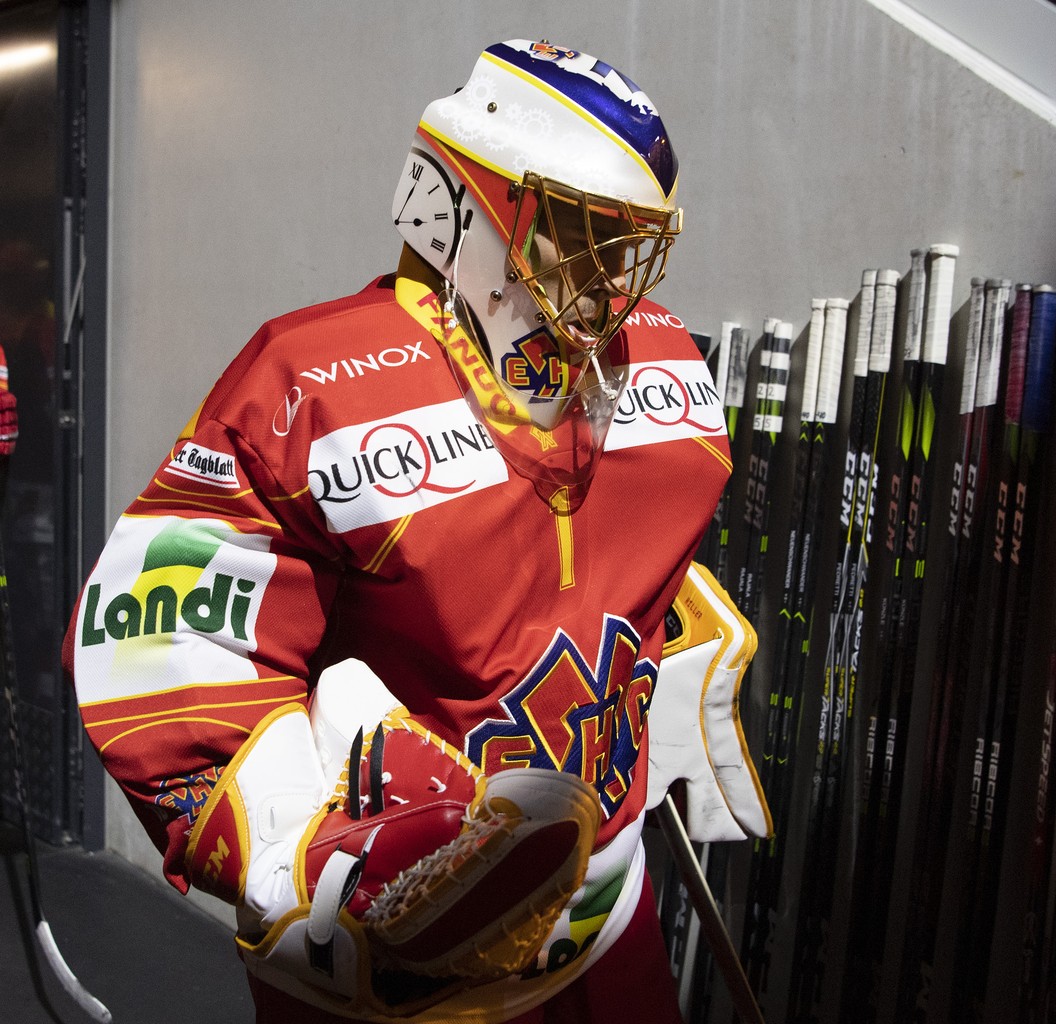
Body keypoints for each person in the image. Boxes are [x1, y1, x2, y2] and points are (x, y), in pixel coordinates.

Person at [63, 38, 751, 1023]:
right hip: (394, 972)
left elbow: (590, 567)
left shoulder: (670, 368)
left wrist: (671, 650)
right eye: (580, 232)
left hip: (608, 917)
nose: (610, 282)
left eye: (628, 240)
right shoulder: (315, 382)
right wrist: (310, 866)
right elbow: (161, 641)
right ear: (463, 206)